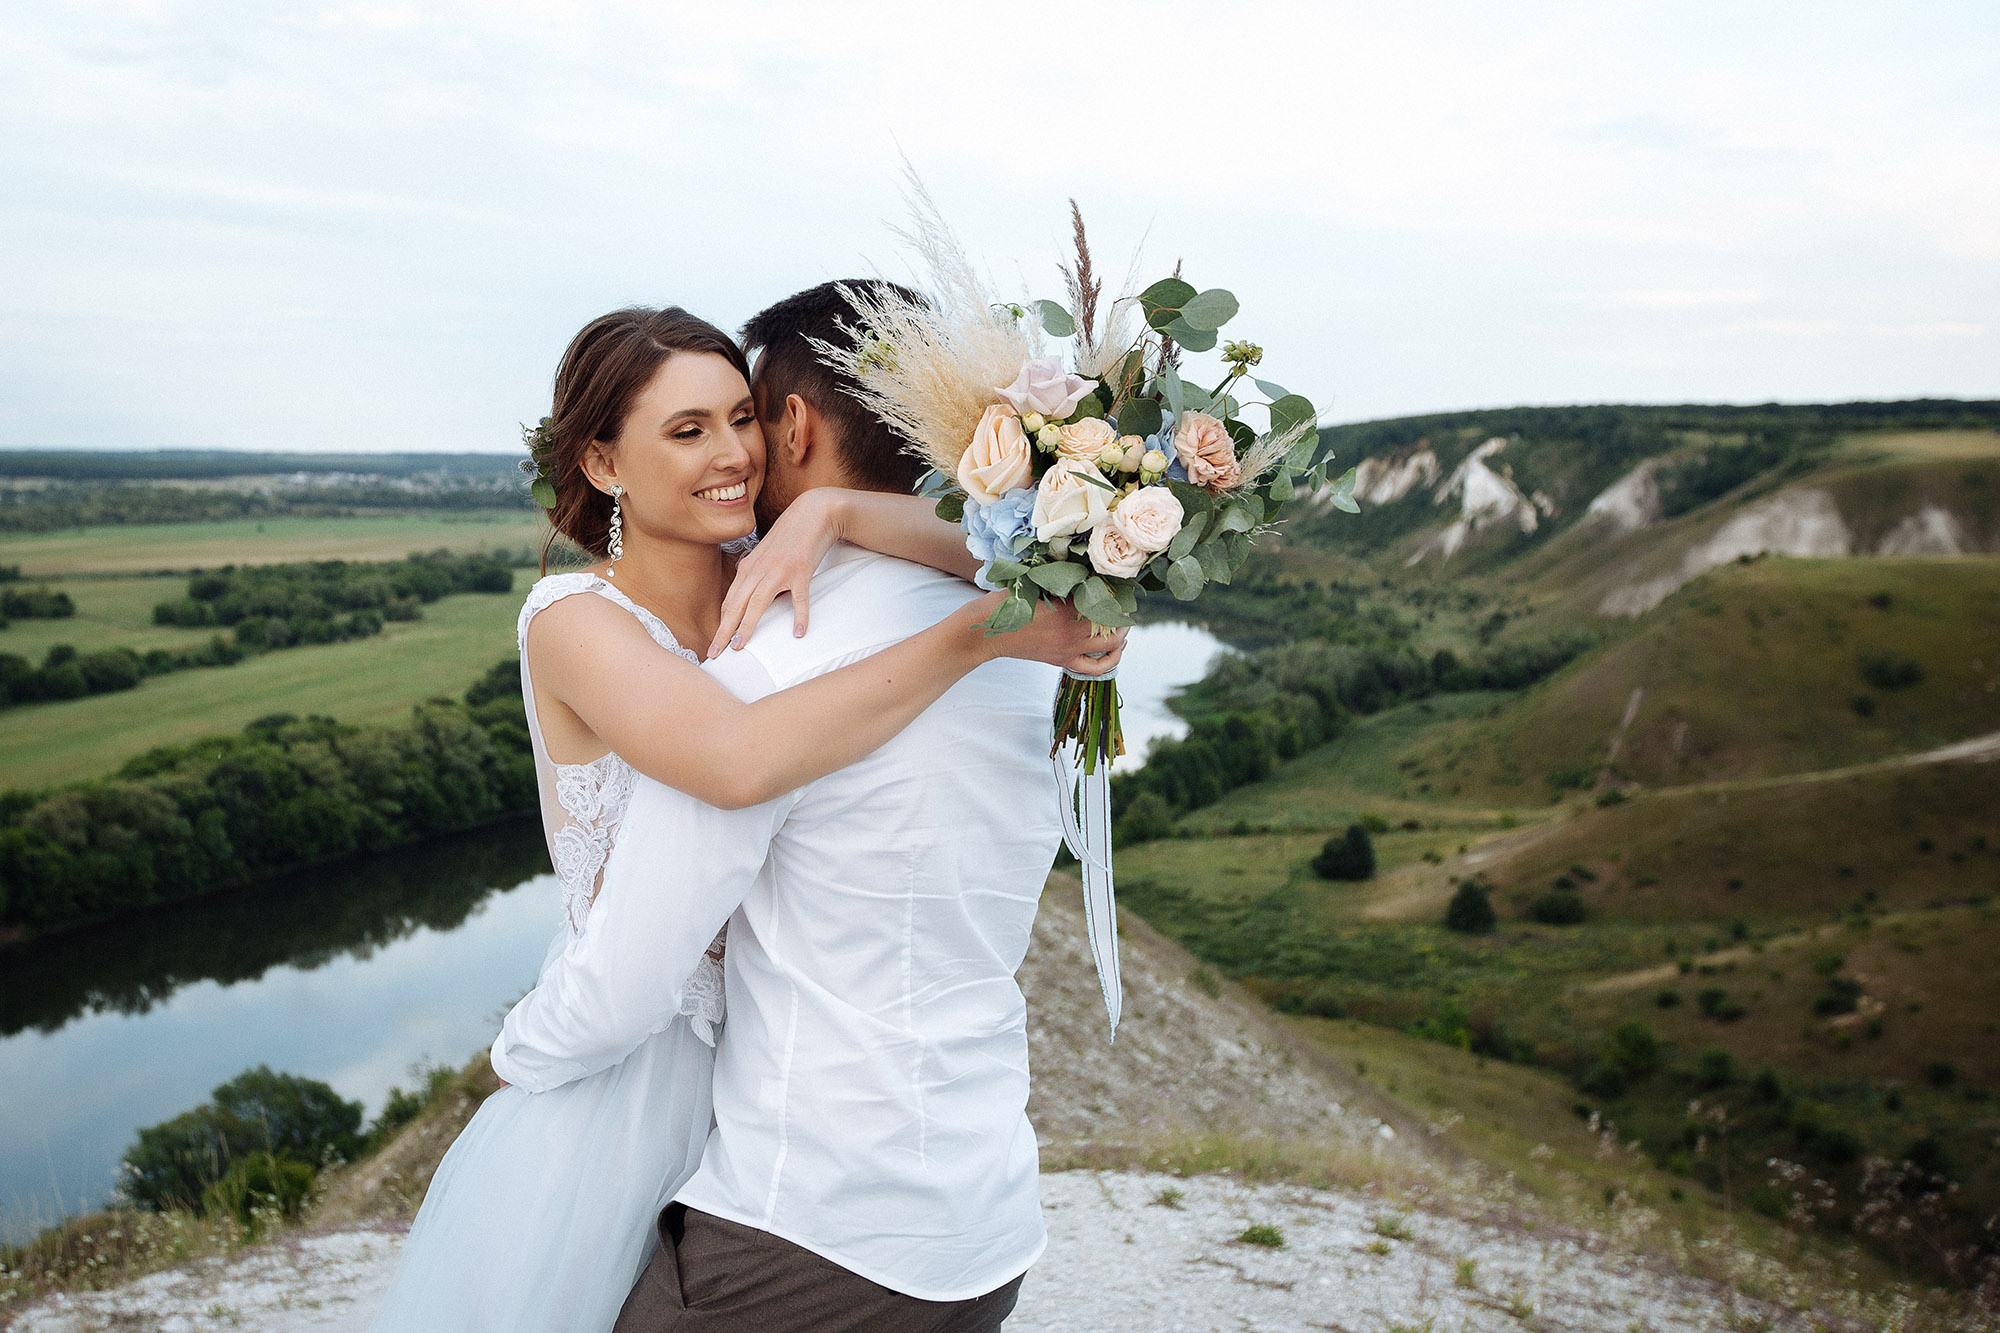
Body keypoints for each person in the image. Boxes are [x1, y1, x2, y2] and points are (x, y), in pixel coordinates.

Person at [371, 302, 1121, 1332]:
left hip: (762, 1084)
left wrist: (837, 513)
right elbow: (733, 757)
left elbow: (996, 553)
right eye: (688, 430)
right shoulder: (576, 620)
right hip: (628, 1070)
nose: (732, 453)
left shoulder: (777, 578)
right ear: (603, 463)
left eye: (740, 418)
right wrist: (979, 633)